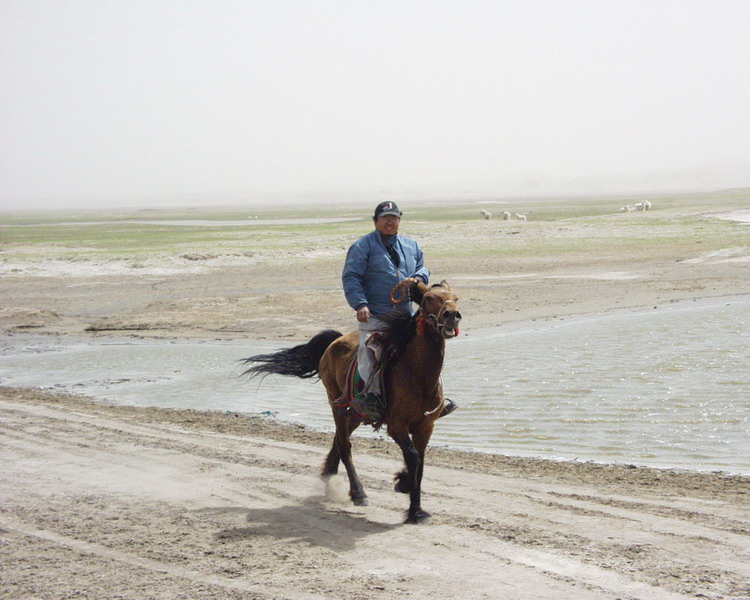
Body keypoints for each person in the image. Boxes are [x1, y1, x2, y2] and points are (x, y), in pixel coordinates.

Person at [341, 201, 457, 421]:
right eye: (385, 218)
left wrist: (419, 278)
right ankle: (370, 397)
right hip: (375, 314)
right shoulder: (362, 246)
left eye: (394, 218)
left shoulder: (411, 245)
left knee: (430, 349)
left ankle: (436, 400)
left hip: (405, 316)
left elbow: (423, 267)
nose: (390, 222)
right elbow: (351, 277)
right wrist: (360, 304)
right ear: (376, 221)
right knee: (369, 353)